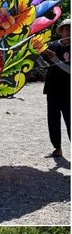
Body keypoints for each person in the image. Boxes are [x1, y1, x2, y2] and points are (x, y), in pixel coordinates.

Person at [43, 18, 70, 158]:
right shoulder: (53, 46)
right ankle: (57, 149)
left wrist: (56, 60)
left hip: (68, 91)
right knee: (53, 120)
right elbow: (44, 64)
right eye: (66, 28)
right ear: (61, 31)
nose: (68, 31)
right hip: (53, 89)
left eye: (70, 29)